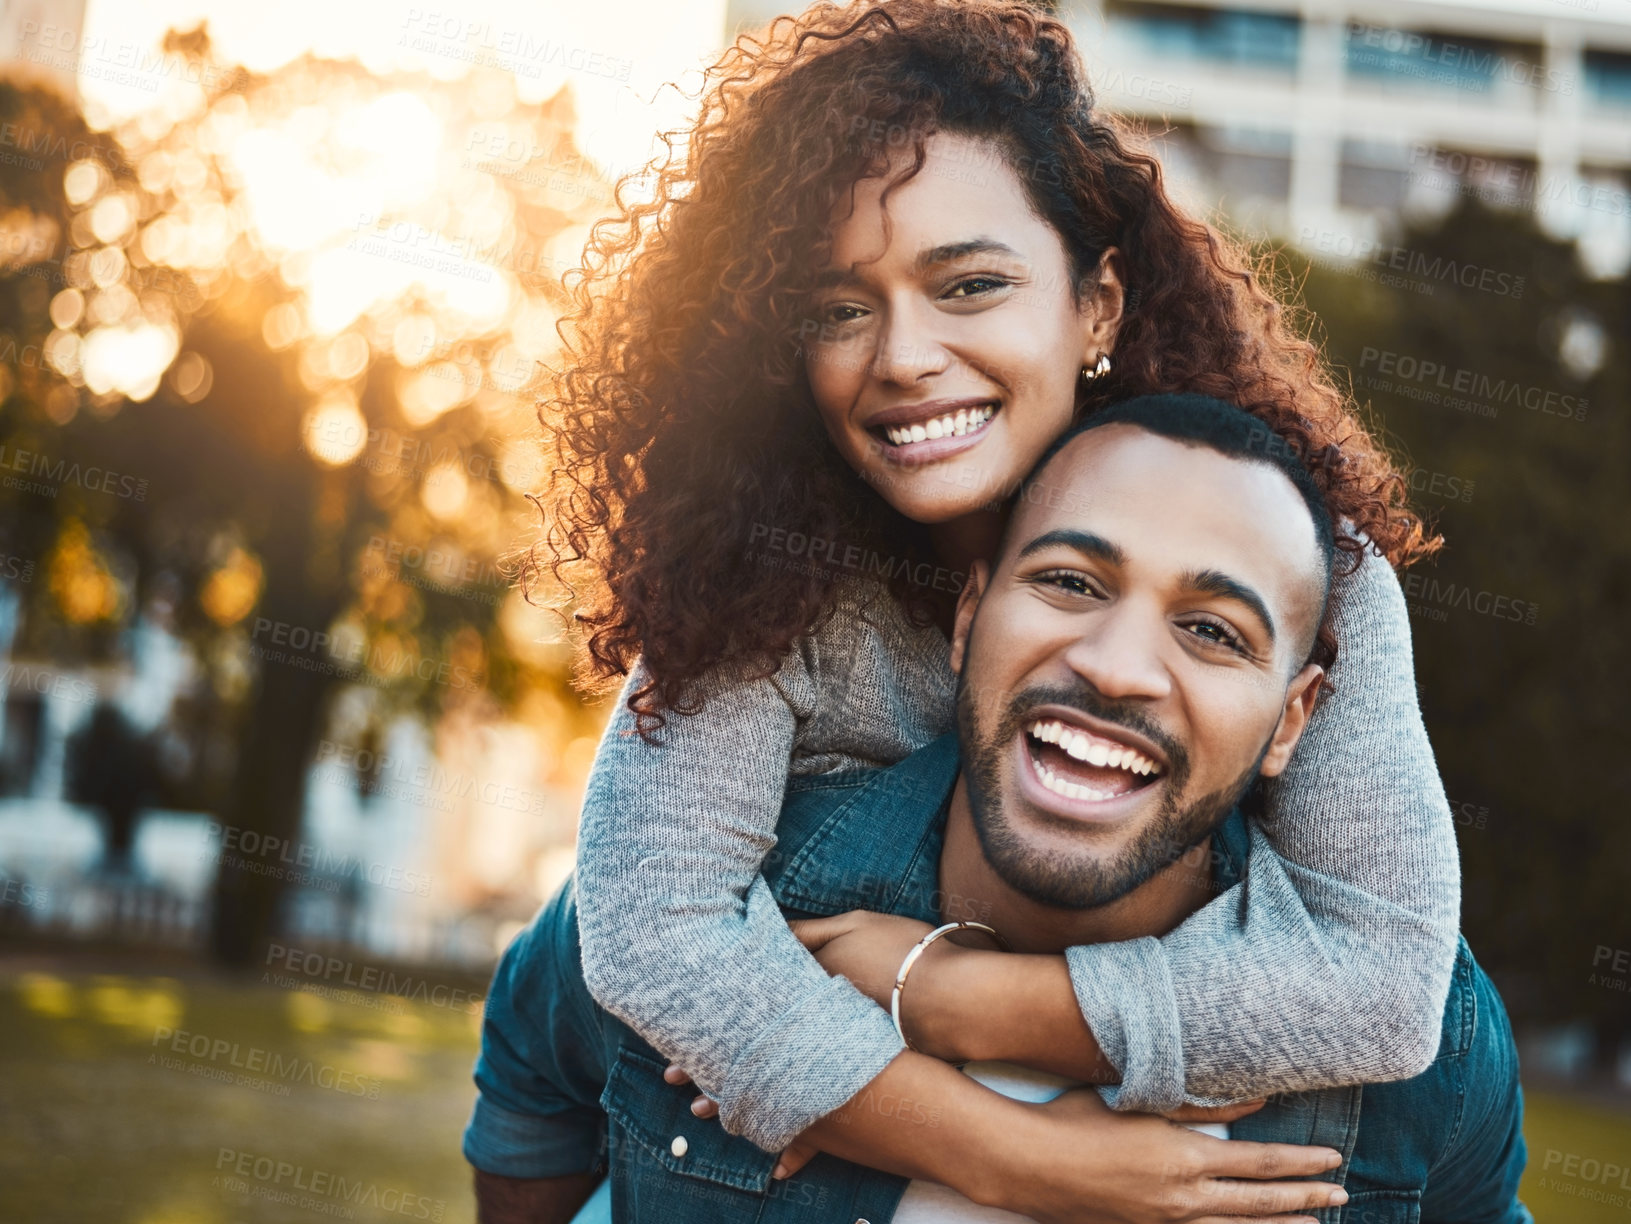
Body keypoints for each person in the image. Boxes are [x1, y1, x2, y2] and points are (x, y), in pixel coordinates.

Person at [534, 0, 1461, 1198]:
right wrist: (1026, 1159)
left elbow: (1384, 987)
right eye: (836, 309)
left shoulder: (1302, 566)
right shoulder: (760, 575)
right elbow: (651, 929)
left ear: (1097, 307)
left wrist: (959, 997)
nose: (902, 356)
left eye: (967, 285)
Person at [471, 395, 1529, 1223]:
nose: (1118, 670)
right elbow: (533, 1061)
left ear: (1292, 720)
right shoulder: (730, 923)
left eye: (1212, 632)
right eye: (1070, 582)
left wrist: (946, 1000)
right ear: (969, 615)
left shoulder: (1430, 1056)